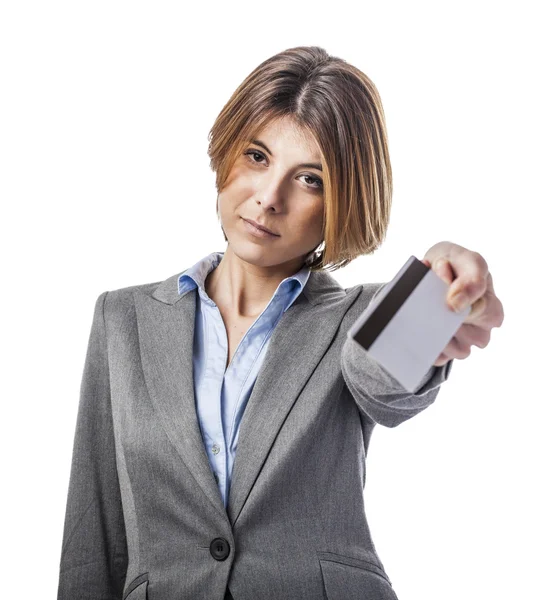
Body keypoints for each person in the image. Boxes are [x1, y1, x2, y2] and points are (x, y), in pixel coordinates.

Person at [56, 45, 504, 600]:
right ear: (226, 154)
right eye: (258, 156)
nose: (269, 199)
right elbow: (93, 532)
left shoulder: (359, 318)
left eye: (310, 179)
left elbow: (386, 384)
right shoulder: (122, 320)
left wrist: (436, 289)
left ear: (344, 201)